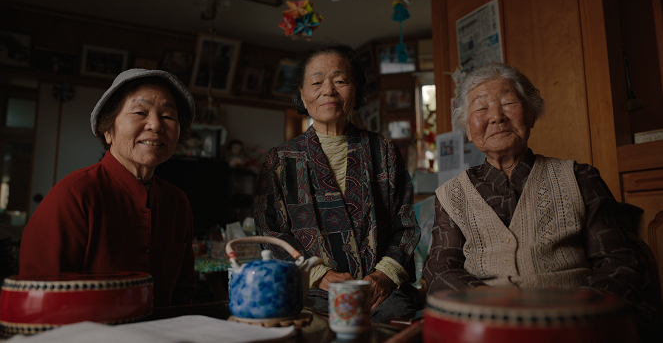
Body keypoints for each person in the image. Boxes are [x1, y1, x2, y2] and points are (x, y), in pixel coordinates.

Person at [422, 62, 661, 339]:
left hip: (575, 326)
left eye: (509, 102)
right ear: (466, 126)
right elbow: (440, 268)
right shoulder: (451, 194)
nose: (497, 117)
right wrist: (489, 302)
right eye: (481, 108)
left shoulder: (581, 177)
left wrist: (575, 311)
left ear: (532, 113)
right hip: (487, 327)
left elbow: (619, 261)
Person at [253, 44, 421, 323]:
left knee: (395, 324)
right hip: (312, 291)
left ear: (356, 93)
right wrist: (318, 275)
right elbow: (270, 233)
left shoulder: (384, 151)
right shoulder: (279, 160)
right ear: (303, 98)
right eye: (316, 82)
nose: (328, 90)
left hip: (379, 294)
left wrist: (382, 277)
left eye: (340, 81)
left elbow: (405, 226)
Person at [20, 68, 197, 307]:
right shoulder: (74, 195)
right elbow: (37, 299)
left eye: (168, 116)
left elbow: (183, 295)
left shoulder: (177, 202)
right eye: (139, 112)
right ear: (107, 129)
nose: (156, 125)